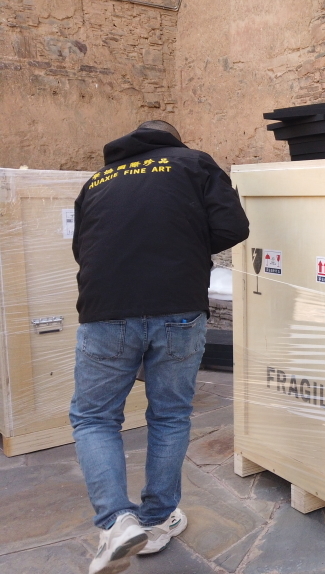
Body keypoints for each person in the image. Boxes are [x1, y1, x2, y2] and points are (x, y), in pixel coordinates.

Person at [70, 120, 249, 574]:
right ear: (174, 140)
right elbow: (233, 226)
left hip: (106, 309)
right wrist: (184, 246)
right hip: (178, 306)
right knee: (169, 414)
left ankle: (117, 523)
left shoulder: (98, 180)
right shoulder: (193, 163)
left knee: (95, 418)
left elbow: (82, 248)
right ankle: (156, 518)